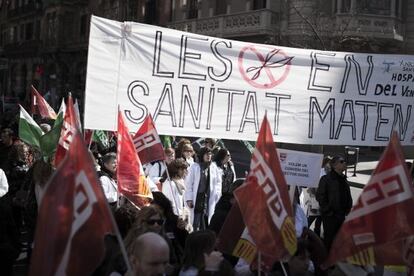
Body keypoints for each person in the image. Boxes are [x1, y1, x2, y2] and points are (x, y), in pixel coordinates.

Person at [316, 155, 353, 250]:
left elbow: (347, 195)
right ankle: (326, 262)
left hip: (341, 215)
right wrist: (328, 211)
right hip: (330, 216)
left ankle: (334, 260)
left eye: (345, 161)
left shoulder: (343, 179)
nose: (345, 163)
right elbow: (320, 196)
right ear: (334, 165)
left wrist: (348, 208)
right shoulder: (326, 179)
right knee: (329, 240)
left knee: (339, 241)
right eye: (342, 161)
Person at [185, 147, 222, 231]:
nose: (208, 156)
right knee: (196, 219)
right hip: (197, 197)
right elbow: (188, 184)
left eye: (210, 154)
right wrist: (189, 198)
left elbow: (218, 182)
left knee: (206, 219)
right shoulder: (194, 167)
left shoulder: (213, 167)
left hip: (208, 197)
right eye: (206, 154)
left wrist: (217, 194)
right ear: (202, 155)